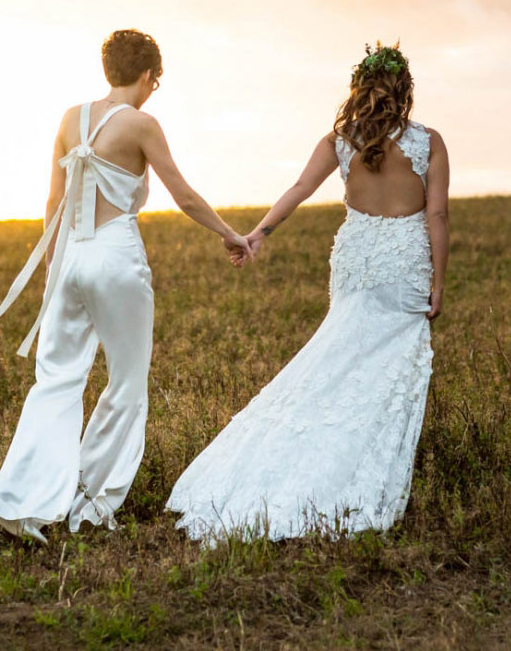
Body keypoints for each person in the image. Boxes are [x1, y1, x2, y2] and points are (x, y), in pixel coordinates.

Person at [166, 41, 450, 545]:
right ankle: (353, 470)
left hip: (358, 263)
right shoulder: (430, 142)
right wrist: (439, 281)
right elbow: (437, 216)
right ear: (405, 91)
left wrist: (259, 234)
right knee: (384, 372)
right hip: (403, 266)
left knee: (336, 360)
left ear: (358, 89)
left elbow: (299, 189)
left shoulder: (339, 141)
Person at [0, 29, 253, 543]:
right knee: (127, 382)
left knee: (56, 381)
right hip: (115, 258)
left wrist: (53, 268)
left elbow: (52, 203)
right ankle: (91, 506)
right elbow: (186, 197)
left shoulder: (69, 118)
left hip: (68, 258)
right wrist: (230, 234)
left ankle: (18, 505)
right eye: (157, 80)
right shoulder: (142, 124)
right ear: (149, 76)